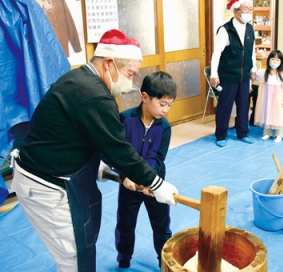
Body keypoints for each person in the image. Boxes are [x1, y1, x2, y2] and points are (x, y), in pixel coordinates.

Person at [10, 29, 178, 272]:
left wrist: (98, 165)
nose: (130, 83)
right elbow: (119, 150)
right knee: (75, 258)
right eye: (129, 74)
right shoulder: (96, 96)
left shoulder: (78, 79)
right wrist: (156, 183)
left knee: (79, 252)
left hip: (48, 170)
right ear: (109, 64)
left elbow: (80, 134)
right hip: (47, 185)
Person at [115, 71, 176, 269]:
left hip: (155, 184)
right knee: (125, 225)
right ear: (145, 97)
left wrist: (150, 183)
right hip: (129, 185)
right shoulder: (125, 119)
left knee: (161, 227)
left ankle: (164, 263)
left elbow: (156, 159)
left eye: (169, 105)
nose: (165, 110)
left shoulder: (164, 128)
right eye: (162, 104)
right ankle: (124, 259)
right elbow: (120, 153)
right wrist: (125, 176)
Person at [210, 0, 257, 147]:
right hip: (228, 75)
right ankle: (220, 135)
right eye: (245, 9)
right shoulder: (225, 30)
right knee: (225, 106)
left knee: (244, 105)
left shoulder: (250, 29)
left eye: (250, 9)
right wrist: (213, 74)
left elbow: (252, 52)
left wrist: (253, 69)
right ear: (236, 11)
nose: (248, 12)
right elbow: (216, 53)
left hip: (244, 76)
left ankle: (243, 132)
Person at [254, 50, 283, 143]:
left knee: (278, 115)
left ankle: (279, 133)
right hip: (266, 98)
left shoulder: (282, 75)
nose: (274, 62)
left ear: (281, 62)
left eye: (277, 60)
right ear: (269, 60)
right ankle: (267, 132)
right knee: (267, 113)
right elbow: (253, 77)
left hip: (278, 99)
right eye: (273, 59)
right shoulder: (263, 73)